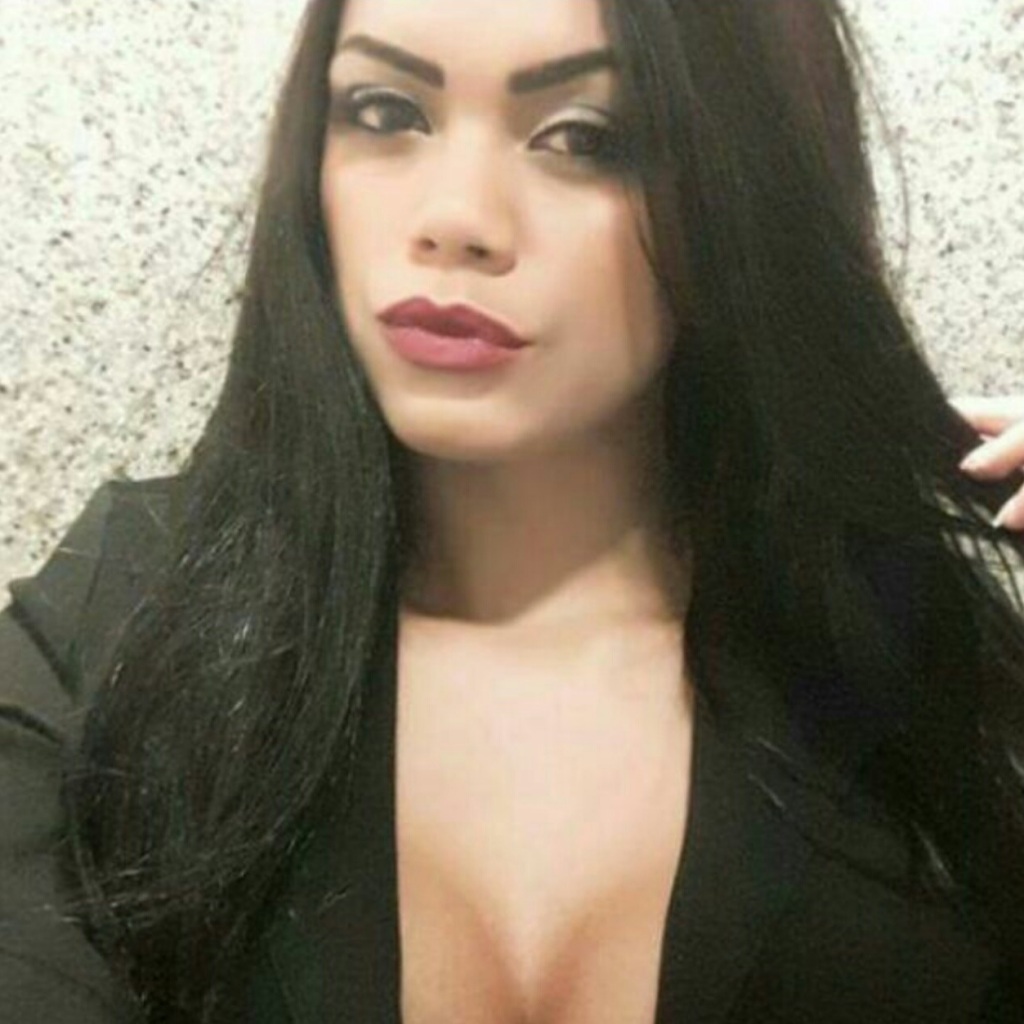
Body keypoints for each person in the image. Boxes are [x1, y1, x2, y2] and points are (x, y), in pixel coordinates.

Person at [2, 0, 1024, 1021]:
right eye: (386, 110)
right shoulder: (119, 627)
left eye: (586, 137)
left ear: (745, 184)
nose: (456, 216)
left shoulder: (929, 679)